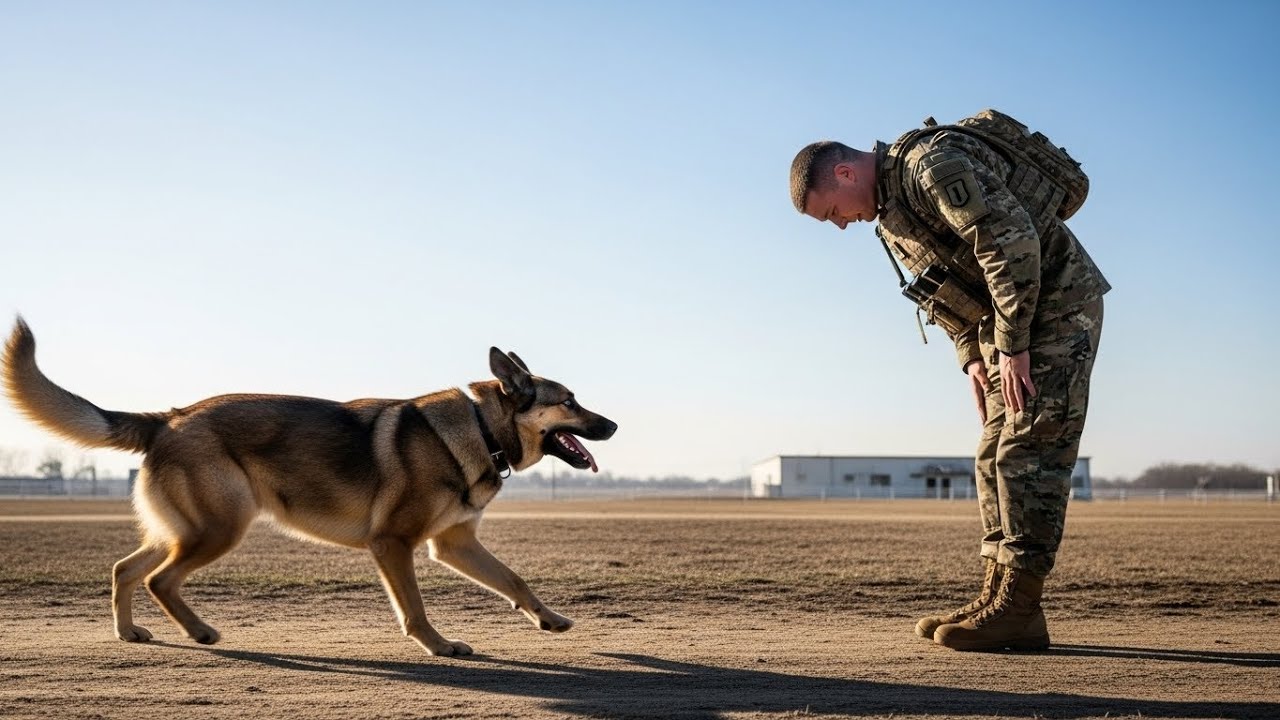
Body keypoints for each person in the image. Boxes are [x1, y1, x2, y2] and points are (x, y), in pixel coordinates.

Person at [788, 111, 1109, 651]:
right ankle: (1000, 596)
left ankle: (1019, 607)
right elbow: (943, 287)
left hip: (1055, 308)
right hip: (1005, 328)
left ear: (844, 173)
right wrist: (973, 359)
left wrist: (1012, 345)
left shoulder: (931, 166)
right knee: (991, 458)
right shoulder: (891, 215)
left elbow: (1011, 245)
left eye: (832, 214)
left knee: (1029, 453)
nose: (842, 224)